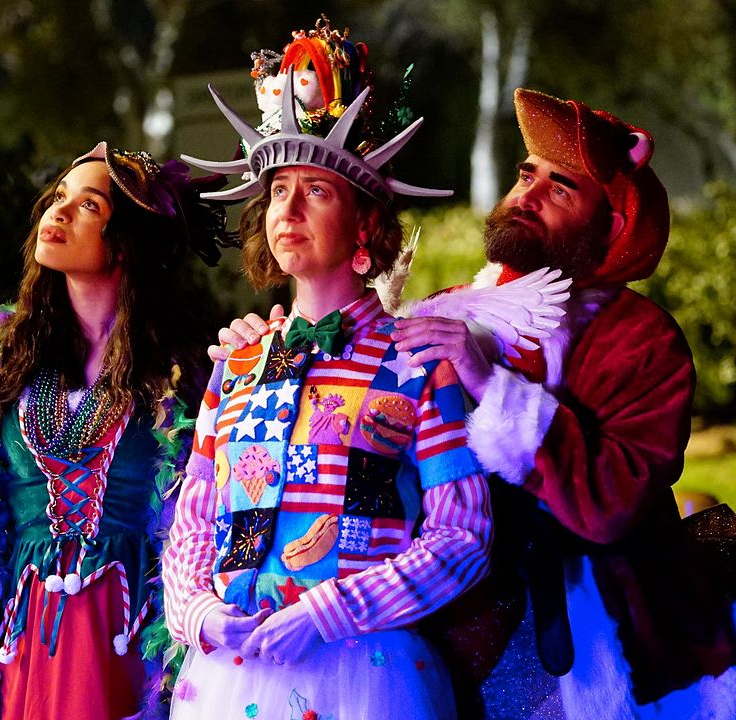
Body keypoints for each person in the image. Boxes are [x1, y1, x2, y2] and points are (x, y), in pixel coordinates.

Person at [218, 90, 736, 719]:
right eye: (527, 174)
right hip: (434, 616)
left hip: (586, 639)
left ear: (610, 225)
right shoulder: (449, 306)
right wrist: (279, 352)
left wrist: (490, 385)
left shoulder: (639, 337)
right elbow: (361, 423)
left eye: (562, 189)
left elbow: (614, 504)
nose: (527, 197)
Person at [162, 18, 492, 720]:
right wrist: (197, 612)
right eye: (279, 191)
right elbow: (194, 514)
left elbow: (462, 535)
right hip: (230, 676)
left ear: (366, 227)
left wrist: (330, 611)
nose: (289, 208)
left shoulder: (417, 363)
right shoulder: (240, 363)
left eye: (317, 191)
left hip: (364, 677)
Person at [0, 142, 231, 720]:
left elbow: (203, 522)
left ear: (128, 242)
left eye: (87, 205)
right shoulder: (9, 364)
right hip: (21, 654)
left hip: (134, 653)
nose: (58, 213)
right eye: (58, 197)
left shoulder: (180, 372)